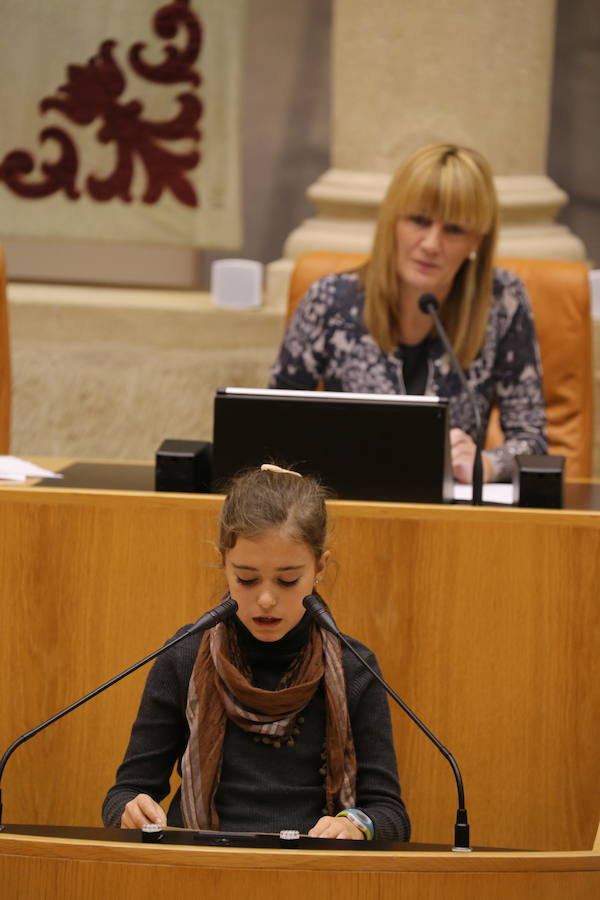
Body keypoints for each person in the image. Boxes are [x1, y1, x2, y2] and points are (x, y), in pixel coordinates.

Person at [102, 464, 410, 841]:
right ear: (223, 563)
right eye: (246, 579)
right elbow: (124, 794)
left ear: (320, 567)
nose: (266, 599)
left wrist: (356, 826)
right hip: (200, 871)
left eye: (287, 580)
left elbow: (390, 814)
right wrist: (131, 810)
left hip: (313, 877)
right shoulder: (183, 656)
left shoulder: (354, 667)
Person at [269, 143, 548, 484]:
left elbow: (532, 442)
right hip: (343, 508)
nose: (431, 244)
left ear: (477, 240)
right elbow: (273, 432)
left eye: (454, 229)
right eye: (419, 220)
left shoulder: (502, 302)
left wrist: (485, 463)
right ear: (393, 221)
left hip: (448, 517)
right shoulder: (329, 301)